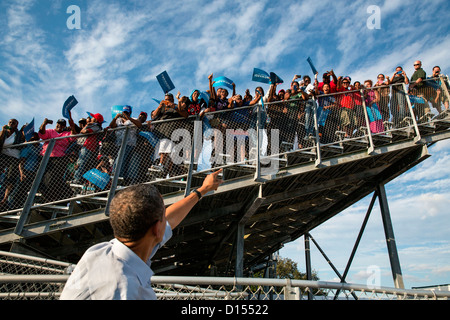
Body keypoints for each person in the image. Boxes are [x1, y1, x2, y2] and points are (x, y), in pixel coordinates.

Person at [60, 169, 223, 300]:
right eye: (162, 214)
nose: (165, 217)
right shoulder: (129, 292)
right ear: (156, 229)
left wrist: (202, 190)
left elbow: (169, 220)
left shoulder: (97, 252)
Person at [38, 116, 76, 201]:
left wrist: (72, 124)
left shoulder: (66, 134)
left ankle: (58, 197)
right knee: (40, 178)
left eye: (62, 125)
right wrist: (44, 123)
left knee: (51, 179)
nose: (60, 125)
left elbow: (73, 136)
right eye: (58, 123)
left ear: (64, 126)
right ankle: (48, 197)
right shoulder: (51, 131)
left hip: (58, 159)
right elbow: (42, 134)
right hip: (45, 157)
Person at [109, 105, 143, 185]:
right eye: (124, 112)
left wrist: (128, 118)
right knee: (121, 160)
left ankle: (117, 174)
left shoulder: (133, 119)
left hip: (129, 143)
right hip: (119, 143)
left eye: (127, 112)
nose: (125, 114)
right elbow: (112, 126)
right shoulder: (118, 120)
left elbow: (139, 124)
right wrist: (116, 117)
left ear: (130, 113)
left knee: (122, 159)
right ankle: (119, 176)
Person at [72, 112, 104, 184]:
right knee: (79, 163)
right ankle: (76, 179)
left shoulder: (96, 126)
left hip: (88, 147)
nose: (91, 118)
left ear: (95, 120)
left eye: (93, 117)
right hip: (86, 146)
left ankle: (76, 180)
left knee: (81, 163)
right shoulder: (93, 125)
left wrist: (85, 128)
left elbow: (86, 131)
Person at [0, 119, 25, 209]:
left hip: (14, 157)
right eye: (10, 122)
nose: (11, 124)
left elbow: (23, 140)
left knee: (10, 177)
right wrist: (3, 131)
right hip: (3, 155)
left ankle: (4, 199)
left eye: (13, 123)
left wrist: (23, 130)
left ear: (16, 125)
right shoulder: (4, 132)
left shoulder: (18, 134)